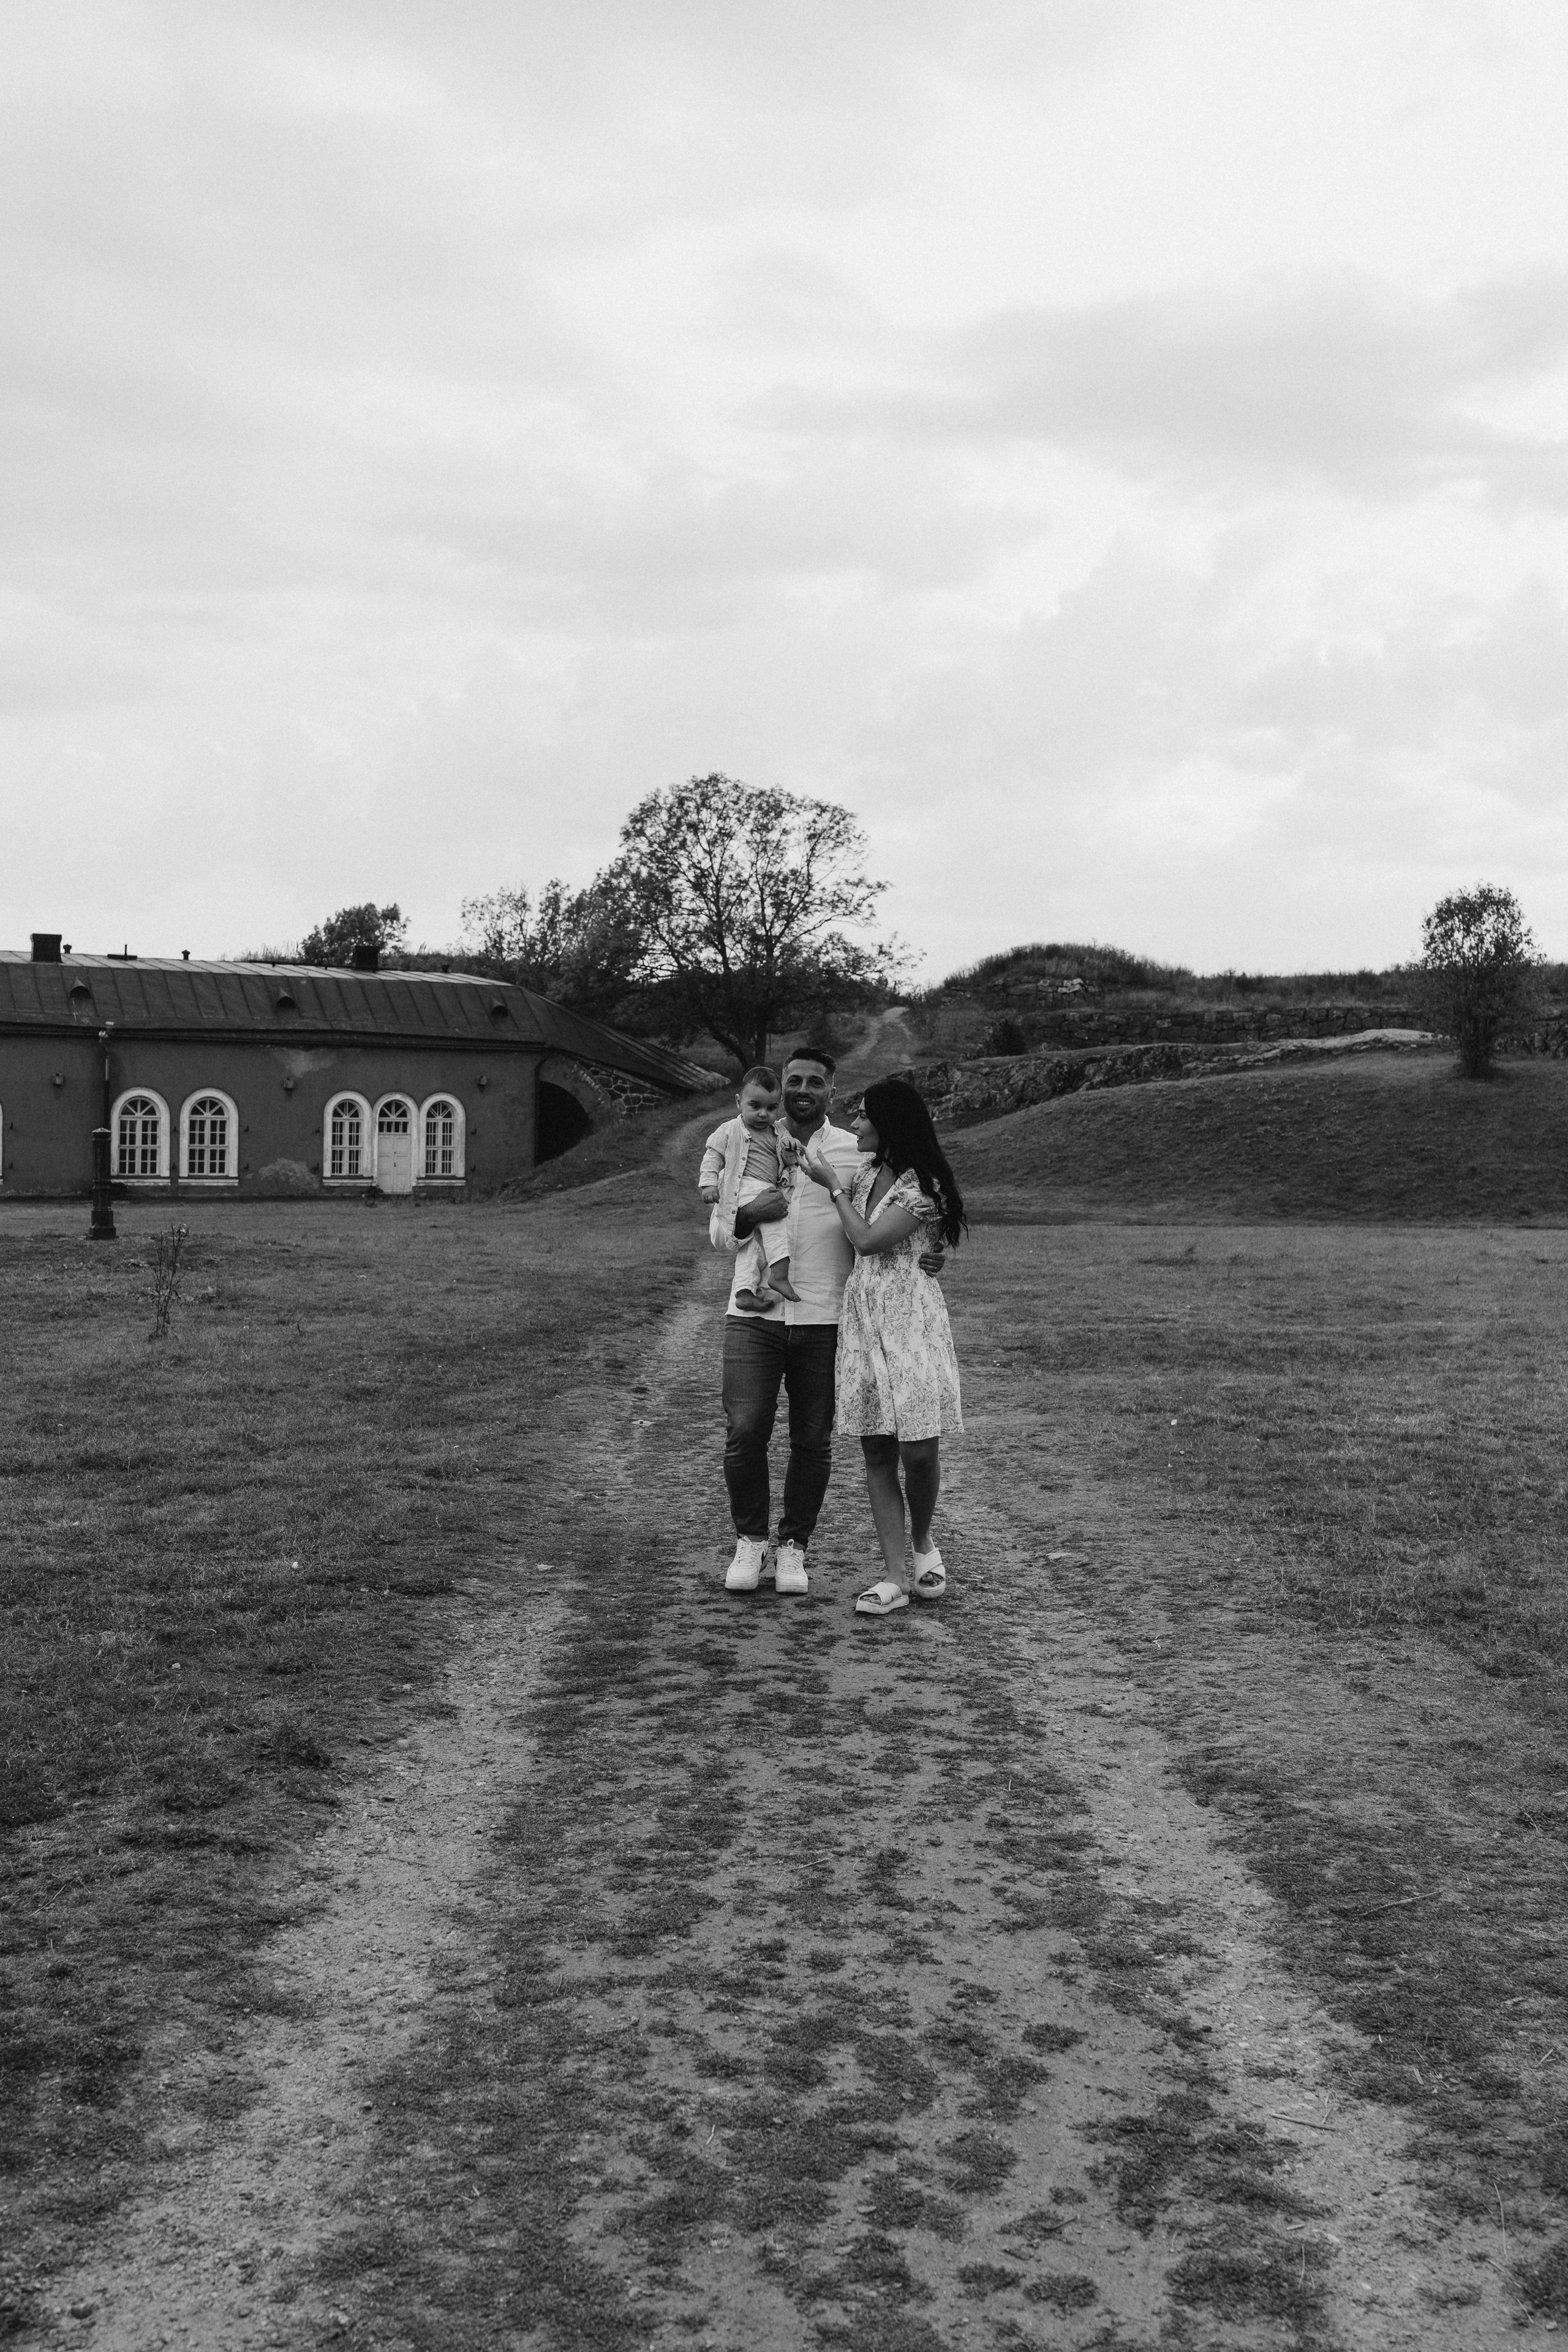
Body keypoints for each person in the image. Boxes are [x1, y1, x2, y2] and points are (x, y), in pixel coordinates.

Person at [799, 1076, 965, 1617]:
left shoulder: (920, 1184)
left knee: (919, 1446)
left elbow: (869, 1240)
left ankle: (922, 1541)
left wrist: (831, 1186)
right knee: (877, 1448)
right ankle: (895, 1574)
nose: (856, 1125)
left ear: (890, 1122)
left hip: (910, 1320)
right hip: (864, 1318)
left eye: (865, 1116)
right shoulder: (867, 1170)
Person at [715, 1046, 860, 1596]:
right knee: (745, 1432)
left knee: (812, 1439)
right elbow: (717, 1232)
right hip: (752, 1314)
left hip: (824, 1315)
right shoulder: (746, 1137)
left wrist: (927, 1252)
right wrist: (749, 1214)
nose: (802, 1090)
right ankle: (750, 1542)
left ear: (831, 1091)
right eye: (793, 1080)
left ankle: (794, 1547)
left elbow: (873, 1223)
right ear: (780, 1085)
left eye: (814, 1082)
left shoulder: (852, 1151)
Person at [698, 1067, 799, 1314]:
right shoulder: (730, 1129)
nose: (763, 1114)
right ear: (739, 1102)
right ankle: (779, 1275)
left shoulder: (779, 1132)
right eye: (755, 1106)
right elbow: (713, 1155)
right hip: (741, 1188)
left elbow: (789, 1161)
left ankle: (743, 1292)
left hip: (766, 1188)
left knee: (753, 1245)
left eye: (772, 1108)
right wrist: (709, 1183)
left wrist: (789, 1149)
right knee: (777, 1226)